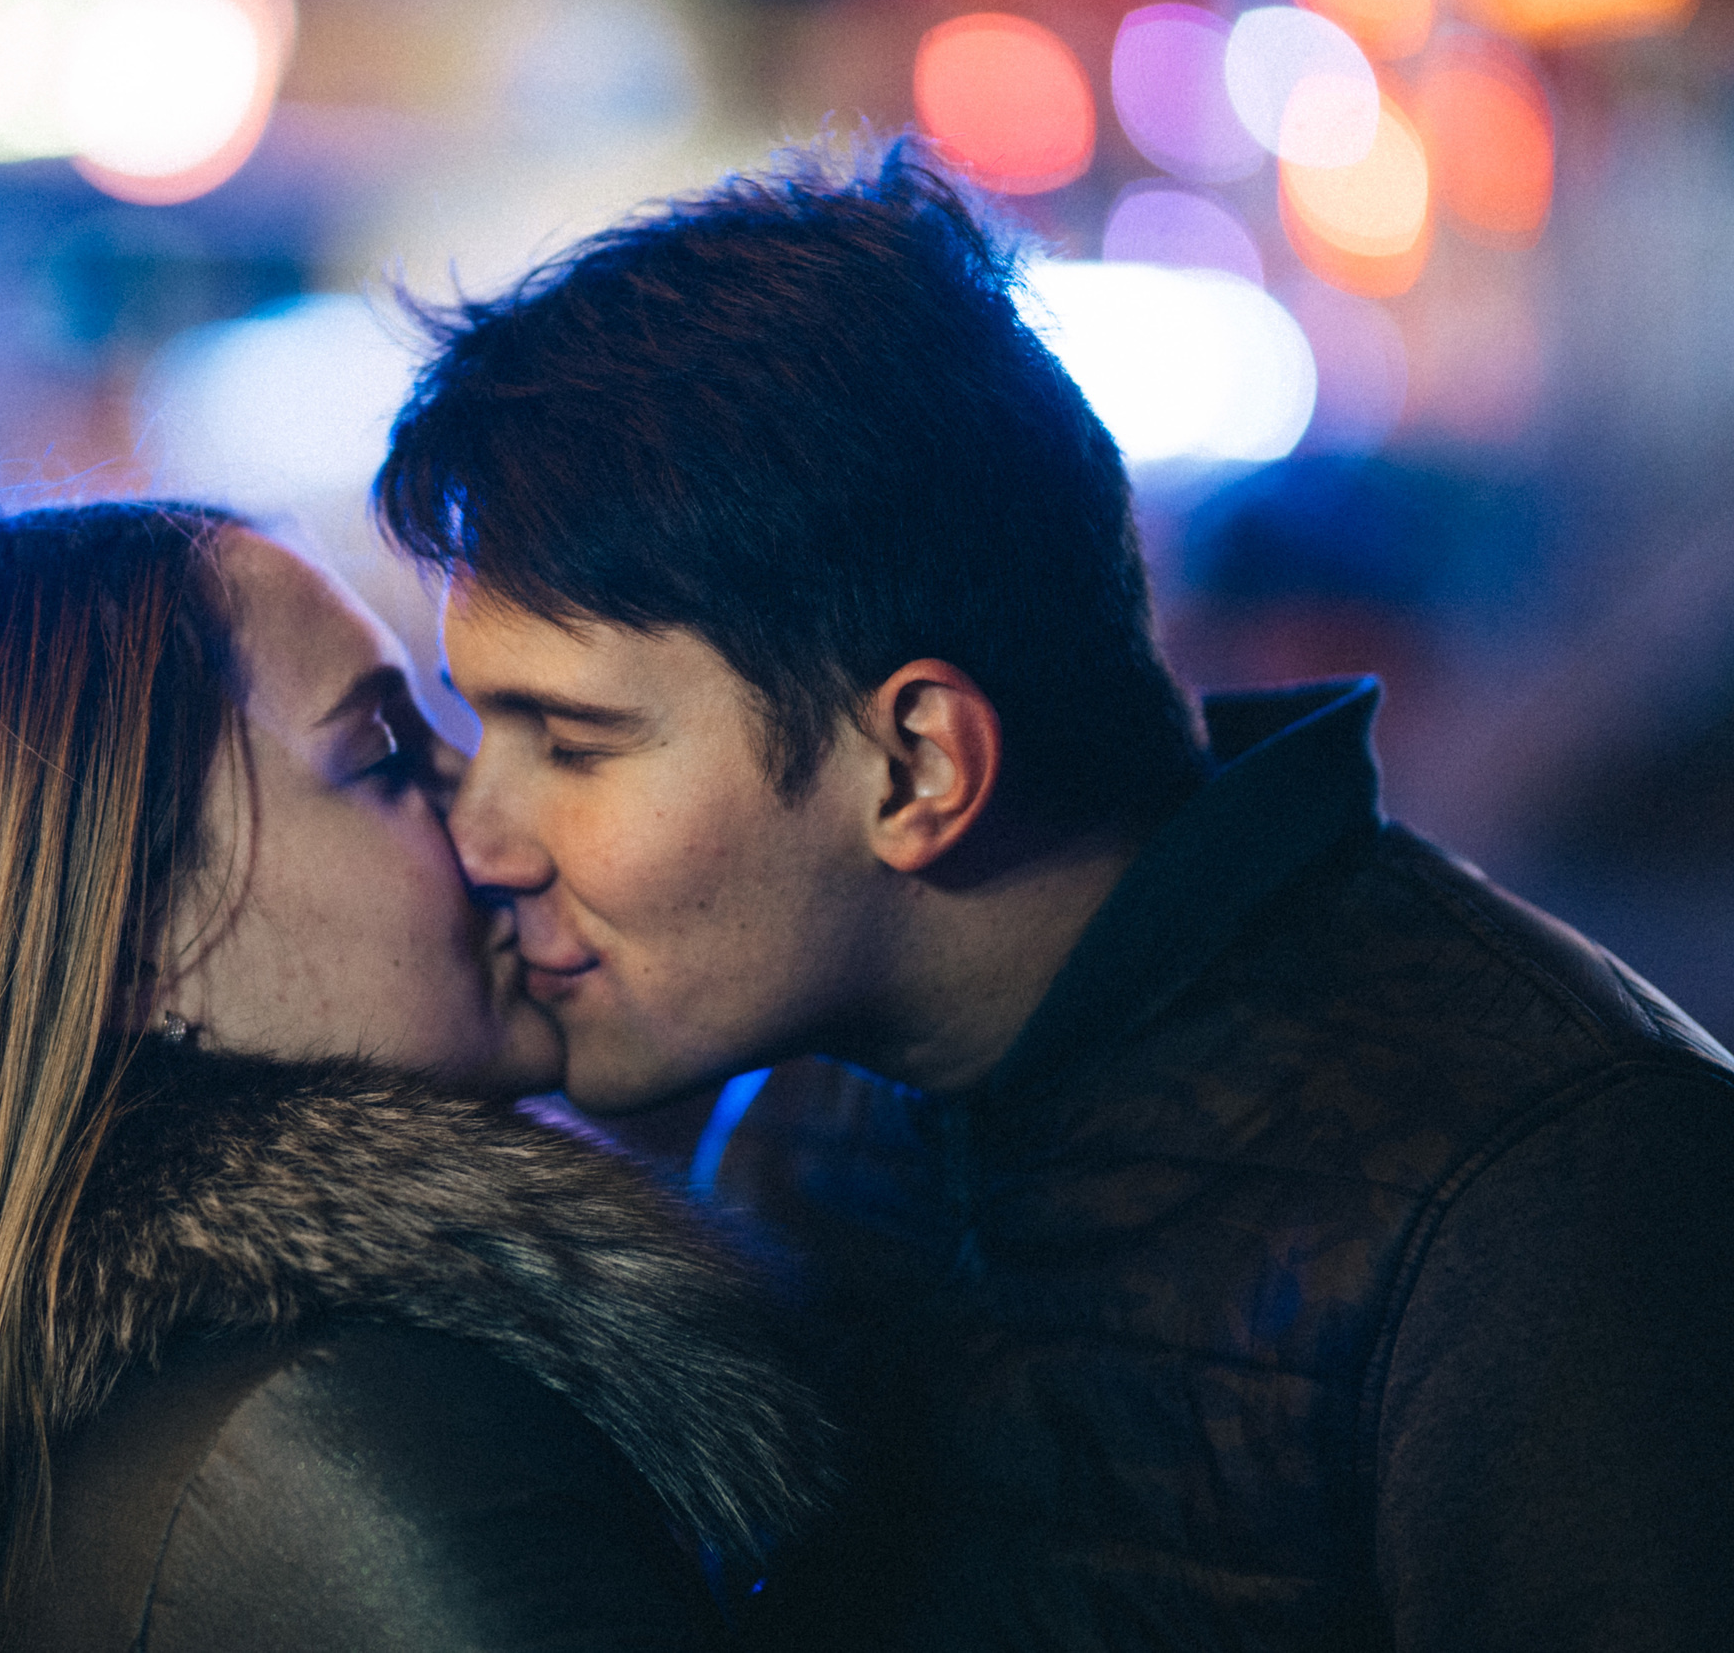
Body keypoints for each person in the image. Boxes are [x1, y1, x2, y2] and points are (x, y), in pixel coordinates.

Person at [371, 143, 1734, 1652]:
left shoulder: (1551, 1186)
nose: (481, 829)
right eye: (472, 722)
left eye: (570, 740)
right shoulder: (811, 1106)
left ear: (918, 766)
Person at [0, 503, 832, 1653]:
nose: (493, 827)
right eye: (386, 757)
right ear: (141, 950)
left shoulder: (123, 1429)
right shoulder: (341, 1446)